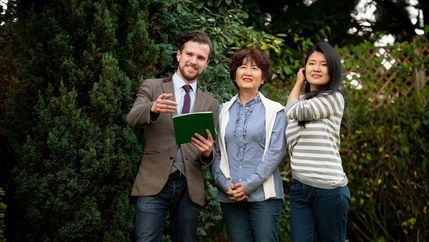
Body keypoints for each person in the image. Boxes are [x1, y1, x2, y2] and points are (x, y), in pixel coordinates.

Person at [126, 30, 219, 242]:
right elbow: (132, 118)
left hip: (190, 187)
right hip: (153, 182)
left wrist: (207, 153)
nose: (193, 61)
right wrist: (153, 108)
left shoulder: (211, 103)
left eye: (200, 58)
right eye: (189, 54)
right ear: (179, 55)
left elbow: (210, 152)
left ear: (206, 63)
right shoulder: (153, 86)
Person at [212, 48, 287, 242]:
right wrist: (224, 184)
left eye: (254, 68)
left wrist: (247, 186)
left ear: (263, 78)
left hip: (264, 197)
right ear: (234, 74)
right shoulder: (222, 111)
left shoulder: (276, 111)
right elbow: (217, 152)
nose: (247, 72)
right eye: (242, 67)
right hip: (230, 196)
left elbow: (275, 153)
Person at [285, 41, 350, 242]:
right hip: (300, 189)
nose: (317, 68)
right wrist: (299, 88)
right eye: (312, 63)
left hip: (329, 190)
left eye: (323, 64)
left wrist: (297, 83)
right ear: (305, 68)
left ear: (332, 69)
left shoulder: (334, 98)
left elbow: (292, 111)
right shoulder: (301, 99)